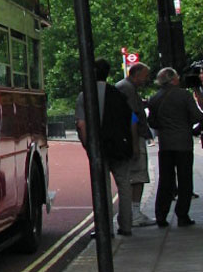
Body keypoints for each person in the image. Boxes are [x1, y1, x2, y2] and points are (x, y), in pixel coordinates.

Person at [76, 58, 137, 235]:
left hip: (99, 148)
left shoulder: (84, 95)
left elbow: (82, 124)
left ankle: (105, 228)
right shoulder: (118, 94)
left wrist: (88, 147)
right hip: (120, 146)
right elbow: (132, 121)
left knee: (102, 188)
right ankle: (126, 226)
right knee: (124, 186)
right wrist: (133, 146)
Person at [147, 67, 198, 227]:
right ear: (173, 79)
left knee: (165, 180)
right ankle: (182, 215)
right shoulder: (184, 95)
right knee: (185, 180)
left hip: (166, 144)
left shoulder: (154, 98)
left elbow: (152, 122)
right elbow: (196, 116)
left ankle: (161, 215)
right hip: (183, 143)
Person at [116, 62, 156, 226]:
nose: (146, 80)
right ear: (136, 74)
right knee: (137, 175)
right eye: (145, 76)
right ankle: (134, 213)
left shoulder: (124, 87)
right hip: (133, 137)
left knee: (132, 176)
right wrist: (134, 143)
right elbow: (132, 117)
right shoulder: (128, 88)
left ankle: (131, 213)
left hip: (130, 137)